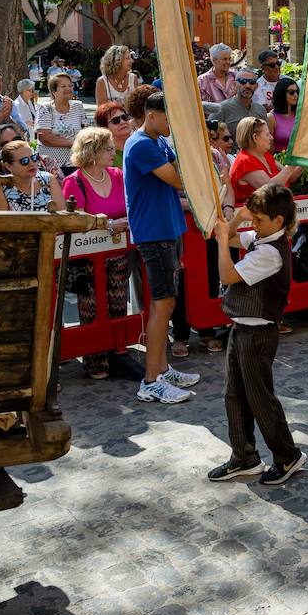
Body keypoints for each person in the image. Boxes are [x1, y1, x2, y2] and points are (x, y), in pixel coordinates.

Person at [207, 185, 307, 486]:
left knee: (260, 397)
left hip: (258, 333)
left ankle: (287, 455)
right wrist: (237, 218)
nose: (255, 224)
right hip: (242, 329)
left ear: (278, 221)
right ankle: (244, 456)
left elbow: (227, 275)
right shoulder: (263, 237)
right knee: (234, 394)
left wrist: (224, 241)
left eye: (259, 219)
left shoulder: (271, 253)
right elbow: (232, 234)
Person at [123, 92, 200, 404]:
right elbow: (180, 179)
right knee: (162, 303)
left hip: (167, 230)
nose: (173, 124)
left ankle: (163, 368)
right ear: (151, 115)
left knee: (166, 302)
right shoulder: (142, 144)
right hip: (154, 234)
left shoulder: (157, 140)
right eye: (169, 118)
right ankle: (151, 380)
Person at [62, 128, 130, 379]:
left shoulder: (117, 175)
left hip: (118, 252)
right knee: (91, 306)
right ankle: (95, 358)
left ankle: (118, 353)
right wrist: (109, 224)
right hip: (88, 257)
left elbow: (130, 203)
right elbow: (78, 220)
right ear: (92, 151)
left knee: (118, 302)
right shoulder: (74, 181)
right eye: (108, 149)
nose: (113, 153)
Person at [230, 116, 300, 212]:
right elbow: (270, 189)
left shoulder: (264, 155)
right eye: (267, 135)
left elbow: (290, 176)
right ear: (255, 137)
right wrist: (292, 163)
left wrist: (304, 159)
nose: (271, 137)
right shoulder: (245, 161)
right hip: (253, 221)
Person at [0, 139, 66, 213]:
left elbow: (62, 217)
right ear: (8, 166)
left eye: (33, 157)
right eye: (24, 161)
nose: (31, 163)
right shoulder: (0, 187)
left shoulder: (49, 180)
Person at [35, 72, 85, 170]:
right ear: (54, 92)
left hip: (75, 162)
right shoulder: (45, 108)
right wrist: (73, 143)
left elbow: (86, 130)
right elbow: (44, 137)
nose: (68, 89)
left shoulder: (78, 106)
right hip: (51, 166)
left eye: (70, 86)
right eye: (63, 86)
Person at [217, 69, 268, 140]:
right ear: (234, 84)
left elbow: (267, 137)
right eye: (242, 82)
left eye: (252, 82)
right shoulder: (221, 109)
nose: (248, 86)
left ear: (256, 86)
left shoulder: (261, 110)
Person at [268, 76, 300, 151]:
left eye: (297, 92)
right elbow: (269, 149)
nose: (296, 95)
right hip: (280, 160)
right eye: (291, 92)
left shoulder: (299, 114)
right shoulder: (271, 117)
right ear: (281, 93)